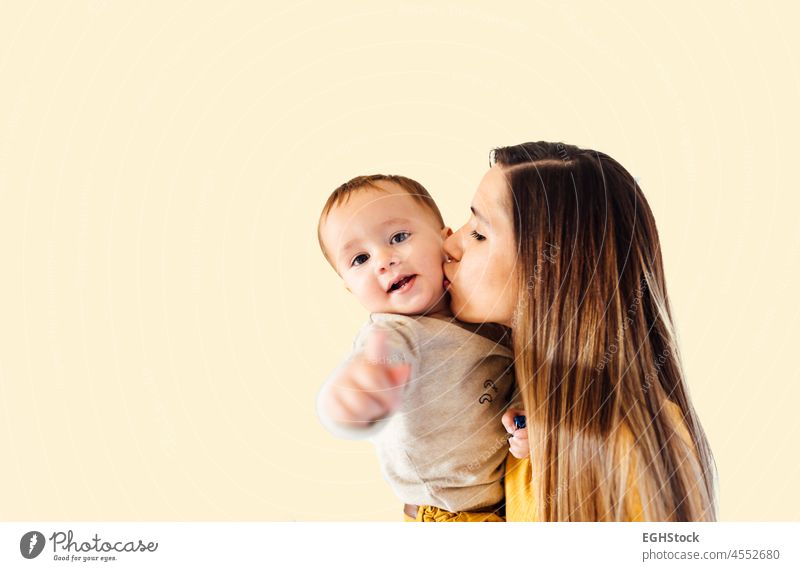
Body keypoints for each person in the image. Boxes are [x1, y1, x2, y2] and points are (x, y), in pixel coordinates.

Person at [442, 142, 718, 521]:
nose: (449, 244)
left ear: (552, 270)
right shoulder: (525, 420)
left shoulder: (630, 452)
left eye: (478, 233)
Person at [315, 174, 519, 522]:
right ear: (350, 289)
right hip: (451, 514)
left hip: (500, 498)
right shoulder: (397, 331)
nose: (383, 260)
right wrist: (362, 388)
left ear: (446, 241)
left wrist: (523, 420)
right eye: (360, 259)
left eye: (398, 237)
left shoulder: (478, 311)